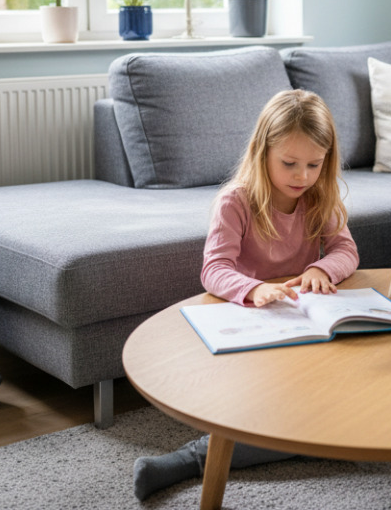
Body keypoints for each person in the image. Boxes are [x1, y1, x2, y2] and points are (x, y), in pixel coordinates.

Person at [133, 89, 359, 500]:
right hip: (252, 326)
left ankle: (308, 436)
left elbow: (346, 250)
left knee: (348, 406)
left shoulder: (318, 197)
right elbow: (214, 269)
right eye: (289, 163)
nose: (302, 176)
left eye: (314, 164)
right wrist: (254, 289)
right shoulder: (235, 201)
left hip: (304, 327)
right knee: (274, 420)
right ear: (262, 152)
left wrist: (319, 268)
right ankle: (191, 461)